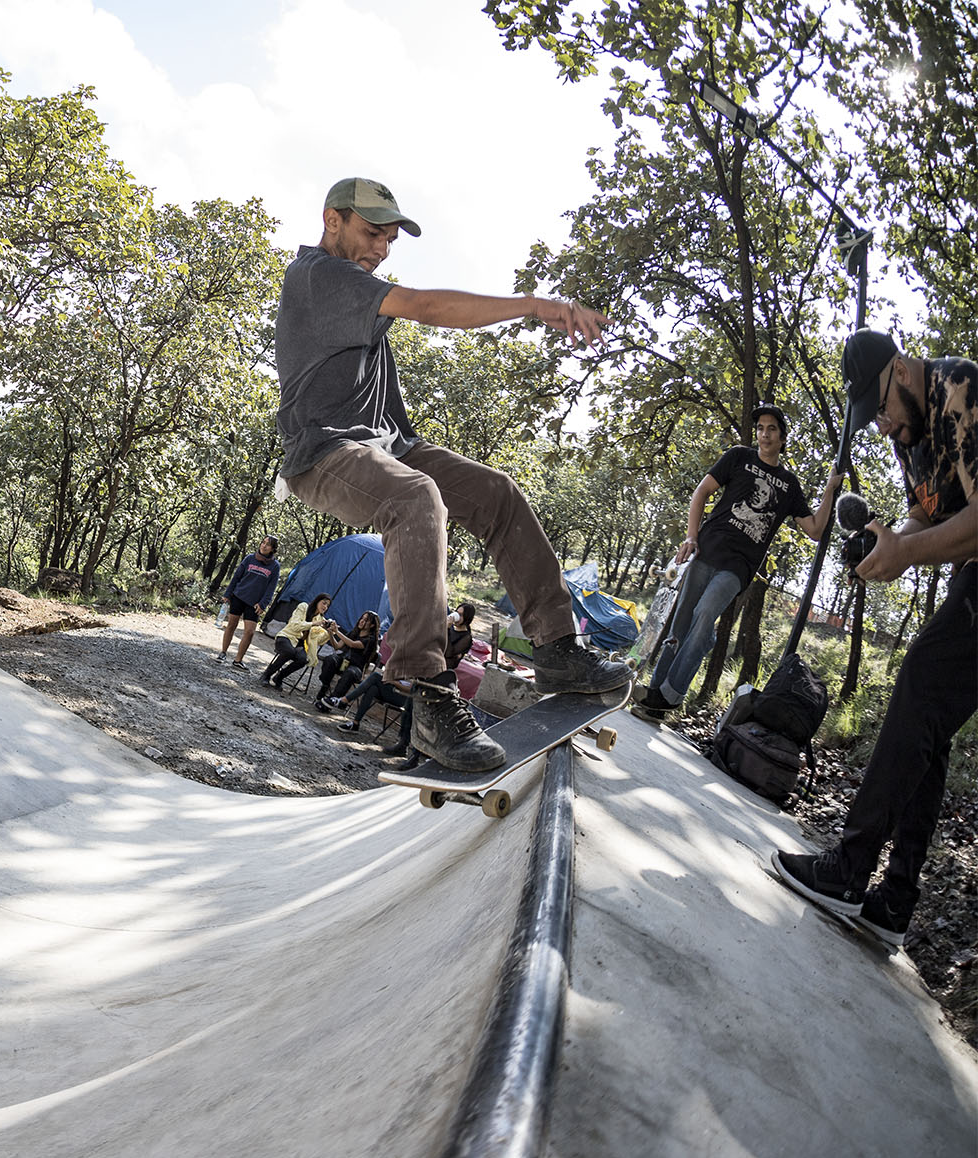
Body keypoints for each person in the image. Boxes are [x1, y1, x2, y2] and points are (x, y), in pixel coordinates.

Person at [275, 177, 632, 772]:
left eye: (389, 240)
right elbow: (428, 307)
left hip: (390, 445)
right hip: (327, 455)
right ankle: (433, 697)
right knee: (418, 500)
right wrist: (537, 306)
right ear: (331, 220)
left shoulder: (353, 285)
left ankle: (558, 649)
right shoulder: (318, 274)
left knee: (497, 492)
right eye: (371, 234)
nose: (380, 251)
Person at [773, 329, 976, 947]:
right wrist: (888, 544)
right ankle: (893, 905)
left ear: (903, 372)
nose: (884, 427)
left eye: (883, 410)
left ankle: (850, 868)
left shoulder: (961, 388)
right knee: (930, 722)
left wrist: (909, 552)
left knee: (919, 677)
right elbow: (927, 512)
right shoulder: (909, 431)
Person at [634, 407, 839, 722]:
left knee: (704, 614)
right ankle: (655, 696)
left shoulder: (789, 484)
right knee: (683, 621)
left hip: (738, 566)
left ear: (782, 438)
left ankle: (670, 695)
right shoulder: (738, 457)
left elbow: (813, 530)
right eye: (760, 427)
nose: (764, 434)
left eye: (772, 429)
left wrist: (828, 491)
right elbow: (701, 492)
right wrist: (691, 537)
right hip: (706, 550)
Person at [337, 605, 476, 751]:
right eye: (457, 612)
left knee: (402, 702)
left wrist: (446, 629)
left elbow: (448, 652)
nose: (457, 616)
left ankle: (344, 702)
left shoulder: (465, 637)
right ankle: (356, 723)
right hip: (423, 672)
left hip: (437, 677)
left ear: (467, 618)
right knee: (373, 687)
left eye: (461, 614)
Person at [216, 536, 282, 669]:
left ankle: (237, 660)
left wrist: (263, 604)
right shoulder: (249, 558)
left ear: (273, 549)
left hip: (255, 603)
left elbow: (271, 587)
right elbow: (236, 577)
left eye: (268, 545)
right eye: (263, 543)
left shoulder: (274, 566)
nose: (264, 546)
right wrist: (228, 594)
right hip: (239, 596)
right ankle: (223, 653)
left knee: (250, 632)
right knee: (231, 625)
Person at [261, 593, 332, 689]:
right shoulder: (303, 607)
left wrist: (330, 632)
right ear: (317, 601)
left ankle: (279, 677)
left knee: (303, 660)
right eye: (324, 603)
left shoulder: (320, 619)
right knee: (289, 652)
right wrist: (313, 623)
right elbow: (294, 625)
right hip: (286, 636)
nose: (325, 607)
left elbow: (318, 640)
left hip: (300, 644)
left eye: (327, 606)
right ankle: (266, 675)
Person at [314, 610, 379, 709]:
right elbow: (337, 646)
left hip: (356, 667)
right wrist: (330, 633)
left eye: (366, 620)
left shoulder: (371, 640)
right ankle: (325, 686)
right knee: (331, 659)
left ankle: (332, 700)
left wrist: (337, 631)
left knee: (350, 673)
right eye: (362, 618)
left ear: (372, 625)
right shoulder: (354, 632)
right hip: (344, 660)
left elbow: (352, 644)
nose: (362, 621)